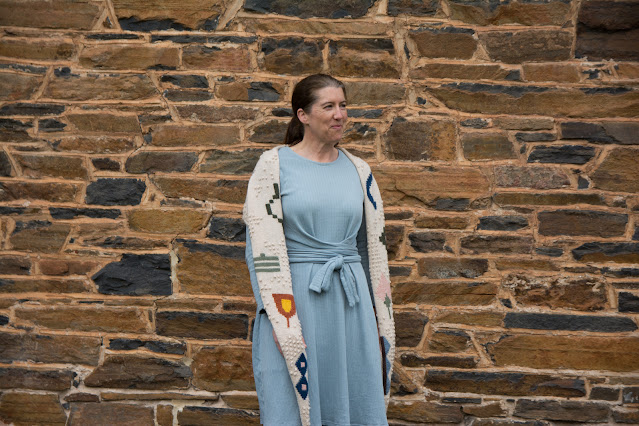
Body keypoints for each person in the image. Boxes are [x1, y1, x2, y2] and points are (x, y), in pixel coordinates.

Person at [243, 74, 395, 426]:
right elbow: (260, 246)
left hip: (351, 306)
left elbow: (370, 248)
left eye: (343, 105)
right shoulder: (273, 166)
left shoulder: (359, 170)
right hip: (295, 303)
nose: (340, 114)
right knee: (291, 401)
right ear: (303, 115)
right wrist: (278, 320)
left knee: (354, 397)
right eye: (329, 106)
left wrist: (377, 318)